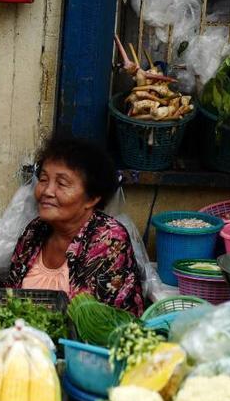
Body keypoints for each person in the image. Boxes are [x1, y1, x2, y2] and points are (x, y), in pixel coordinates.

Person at [8, 135, 145, 315]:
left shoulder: (109, 239)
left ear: (92, 198)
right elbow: (9, 298)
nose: (47, 191)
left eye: (61, 183)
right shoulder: (34, 231)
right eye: (43, 179)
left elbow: (96, 322)